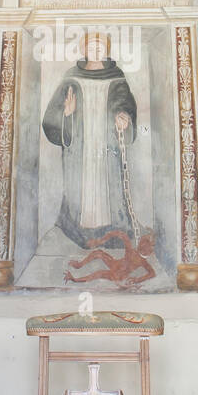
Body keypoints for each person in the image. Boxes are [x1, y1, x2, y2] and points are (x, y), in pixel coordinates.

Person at [41, 31, 138, 248]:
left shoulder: (117, 76)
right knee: (81, 184)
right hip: (80, 143)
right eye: (92, 47)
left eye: (100, 46)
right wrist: (67, 114)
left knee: (108, 182)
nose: (96, 51)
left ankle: (112, 229)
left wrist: (123, 117)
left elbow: (126, 104)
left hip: (106, 143)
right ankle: (79, 228)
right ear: (84, 50)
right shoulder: (71, 76)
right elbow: (53, 113)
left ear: (106, 50)